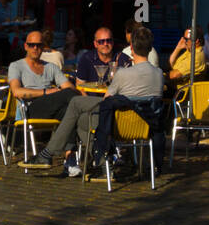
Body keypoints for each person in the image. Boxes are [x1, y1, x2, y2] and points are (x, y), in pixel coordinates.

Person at [24, 26, 165, 174]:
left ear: (131, 47)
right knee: (82, 120)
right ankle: (104, 164)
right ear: (150, 49)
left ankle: (48, 154)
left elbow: (107, 101)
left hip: (118, 124)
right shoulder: (159, 74)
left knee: (76, 103)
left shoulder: (123, 73)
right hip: (143, 125)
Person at [8, 30, 78, 126]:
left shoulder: (51, 66)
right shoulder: (16, 66)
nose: (35, 48)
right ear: (26, 46)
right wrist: (46, 92)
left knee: (68, 112)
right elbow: (16, 91)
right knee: (69, 94)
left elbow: (70, 88)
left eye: (39, 45)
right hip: (29, 110)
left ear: (43, 47)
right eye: (31, 45)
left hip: (50, 109)